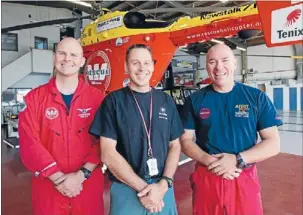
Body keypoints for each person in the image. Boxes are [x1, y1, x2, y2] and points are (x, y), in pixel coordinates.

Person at [180, 44, 283, 215]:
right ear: (206, 67)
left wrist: (237, 159)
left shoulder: (256, 97)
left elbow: (273, 143)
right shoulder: (195, 100)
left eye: (225, 60)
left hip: (242, 176)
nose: (219, 67)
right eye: (212, 62)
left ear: (235, 64)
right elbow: (185, 140)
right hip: (207, 176)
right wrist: (212, 162)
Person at [89, 44, 184, 215]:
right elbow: (107, 153)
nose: (142, 68)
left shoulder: (166, 101)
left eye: (147, 63)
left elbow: (175, 145)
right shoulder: (113, 102)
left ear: (153, 66)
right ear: (126, 67)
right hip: (127, 189)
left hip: (162, 189)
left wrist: (164, 184)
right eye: (135, 63)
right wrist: (144, 190)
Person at [18, 37, 105, 215]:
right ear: (54, 57)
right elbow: (29, 143)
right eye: (62, 53)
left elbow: (104, 141)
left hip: (87, 187)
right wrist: (59, 179)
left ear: (82, 61)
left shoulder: (98, 99)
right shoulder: (34, 98)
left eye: (74, 54)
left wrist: (81, 175)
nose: (67, 58)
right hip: (48, 190)